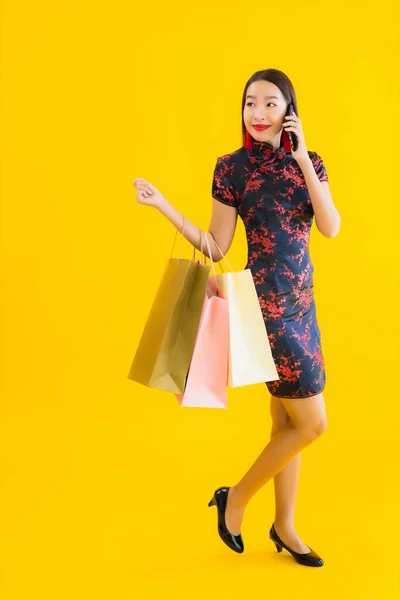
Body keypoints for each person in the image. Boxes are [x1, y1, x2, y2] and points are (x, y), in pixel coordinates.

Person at [132, 68, 340, 567]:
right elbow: (215, 245)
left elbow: (330, 227)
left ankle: (285, 527)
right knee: (312, 424)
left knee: (285, 423)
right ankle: (237, 498)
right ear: (242, 110)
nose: (259, 113)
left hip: (303, 305)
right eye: (251, 103)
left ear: (289, 111)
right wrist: (164, 207)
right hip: (265, 311)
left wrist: (302, 159)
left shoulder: (308, 162)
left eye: (271, 103)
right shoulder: (231, 168)